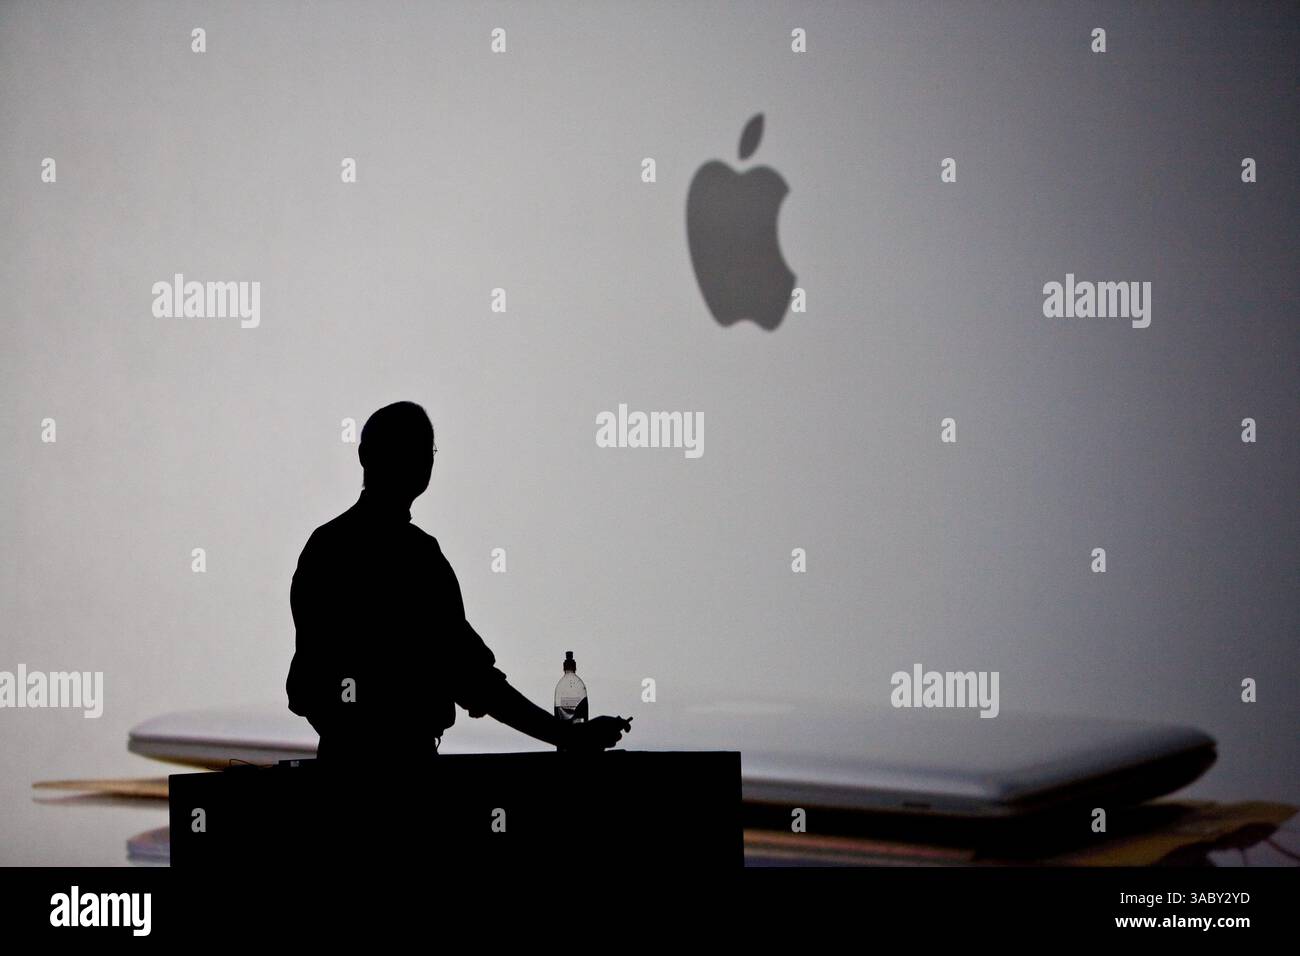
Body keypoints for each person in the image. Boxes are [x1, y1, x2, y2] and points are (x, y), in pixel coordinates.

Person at [286, 400, 631, 763]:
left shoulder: (326, 548)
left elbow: (308, 686)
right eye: (416, 448)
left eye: (424, 448)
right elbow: (473, 679)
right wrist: (566, 736)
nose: (423, 459)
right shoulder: (418, 557)